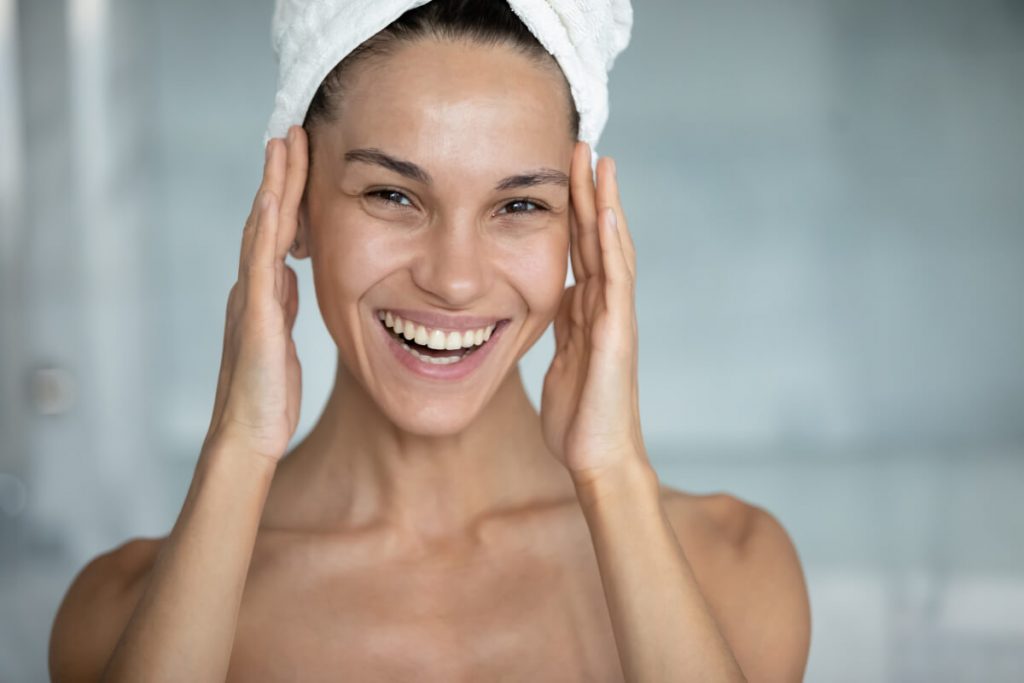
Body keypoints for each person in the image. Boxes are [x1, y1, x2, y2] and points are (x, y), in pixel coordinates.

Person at [49, 1, 810, 680]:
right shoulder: (119, 620)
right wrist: (240, 447)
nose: (453, 279)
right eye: (392, 194)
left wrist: (612, 473)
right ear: (296, 208)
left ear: (580, 227)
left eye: (518, 204)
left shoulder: (732, 576)